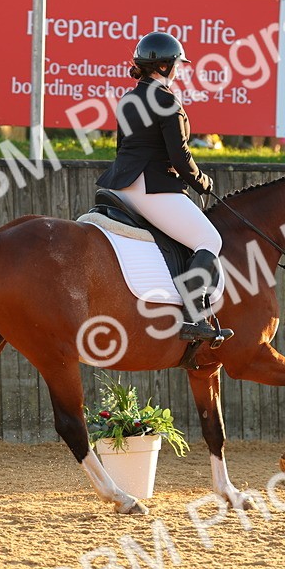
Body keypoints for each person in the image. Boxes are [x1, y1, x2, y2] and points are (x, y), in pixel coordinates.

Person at [95, 31, 232, 346]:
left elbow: (122, 148)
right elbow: (179, 156)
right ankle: (196, 316)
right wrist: (202, 181)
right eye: (178, 64)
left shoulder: (129, 98)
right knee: (209, 238)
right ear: (166, 65)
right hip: (153, 187)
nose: (181, 70)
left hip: (121, 186)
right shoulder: (167, 99)